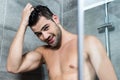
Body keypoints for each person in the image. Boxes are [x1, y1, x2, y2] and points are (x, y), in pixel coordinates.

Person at [7, 3, 117, 80]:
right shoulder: (43, 53)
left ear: (55, 19)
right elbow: (13, 67)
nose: (44, 36)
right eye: (38, 34)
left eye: (46, 28)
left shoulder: (88, 43)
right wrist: (23, 24)